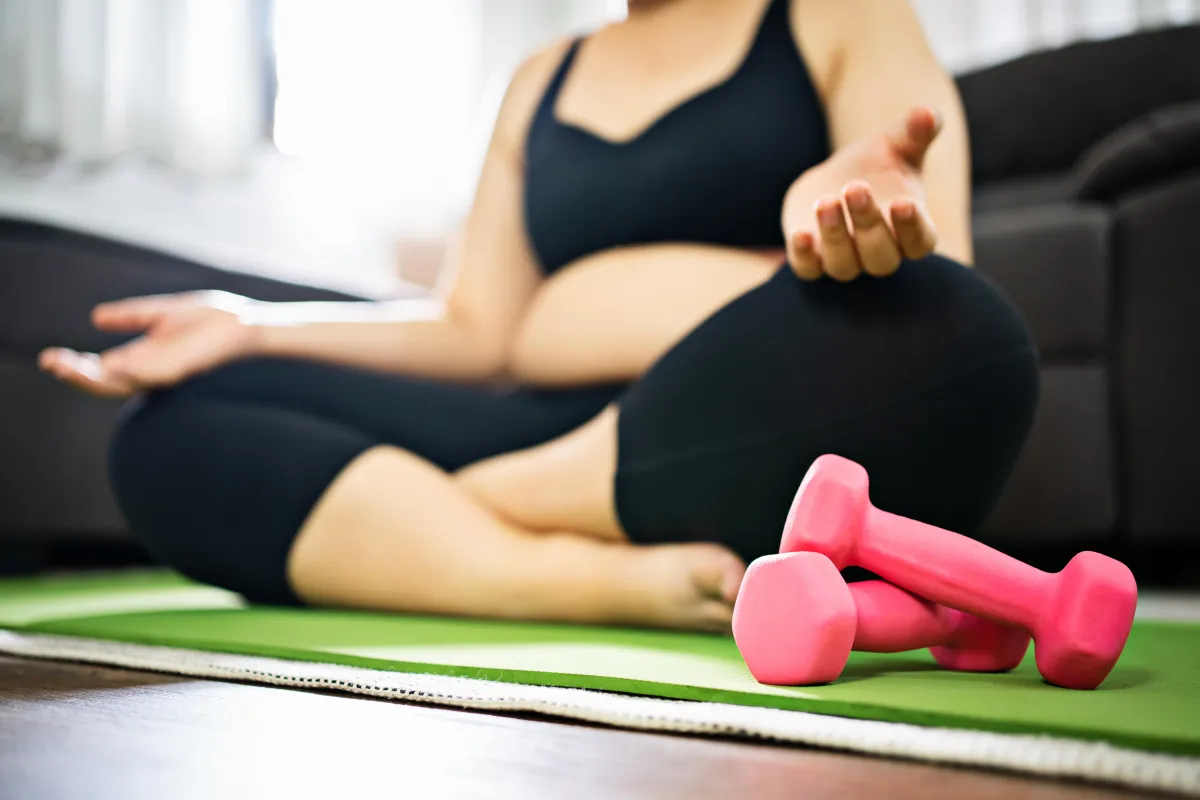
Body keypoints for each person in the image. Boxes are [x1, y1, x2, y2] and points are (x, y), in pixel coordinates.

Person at [38, 0, 1038, 632]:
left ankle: (438, 514)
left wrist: (828, 224)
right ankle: (560, 573)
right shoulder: (539, 78)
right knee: (173, 430)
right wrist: (252, 323)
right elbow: (479, 327)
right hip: (547, 425)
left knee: (960, 333)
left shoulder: (839, 14)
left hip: (741, 431)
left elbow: (935, 263)